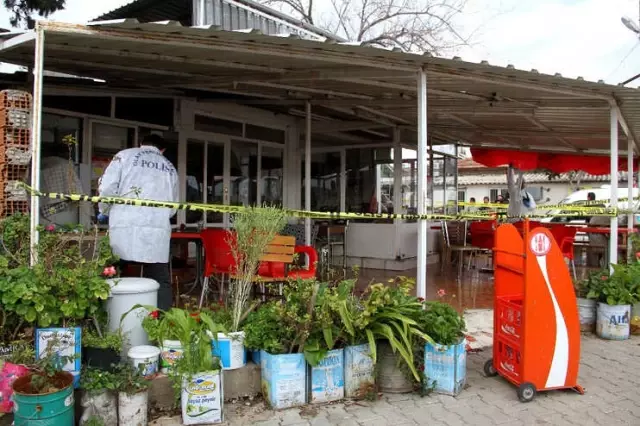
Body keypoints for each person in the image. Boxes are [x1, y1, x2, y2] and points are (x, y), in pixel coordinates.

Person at [98, 134, 179, 311]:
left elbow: (107, 188)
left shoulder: (124, 156)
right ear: (162, 149)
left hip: (124, 226)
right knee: (160, 280)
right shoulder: (170, 167)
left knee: (111, 273)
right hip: (156, 231)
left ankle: (106, 316)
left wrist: (104, 211)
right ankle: (163, 322)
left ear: (141, 144)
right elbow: (173, 206)